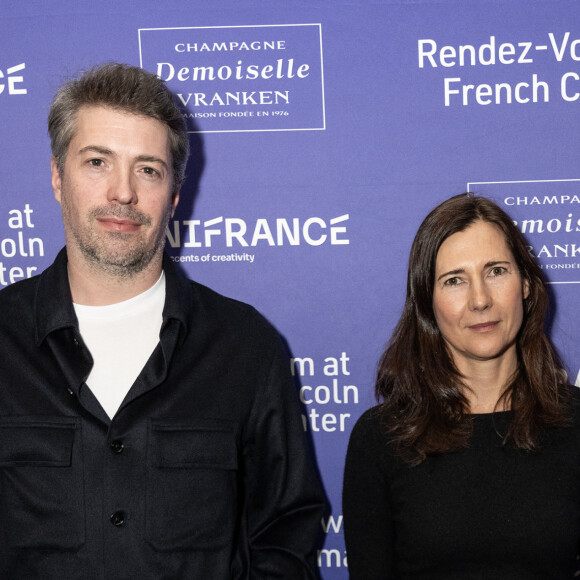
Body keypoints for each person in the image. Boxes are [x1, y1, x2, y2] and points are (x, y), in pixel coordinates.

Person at [0, 63, 324, 578]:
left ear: (174, 194)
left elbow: (285, 532)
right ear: (58, 177)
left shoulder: (246, 347)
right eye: (98, 162)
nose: (123, 193)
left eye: (147, 169)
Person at [343, 194, 580, 579]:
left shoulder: (576, 422)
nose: (480, 300)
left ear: (525, 284)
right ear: (427, 302)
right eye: (455, 280)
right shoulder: (382, 439)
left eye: (496, 271)